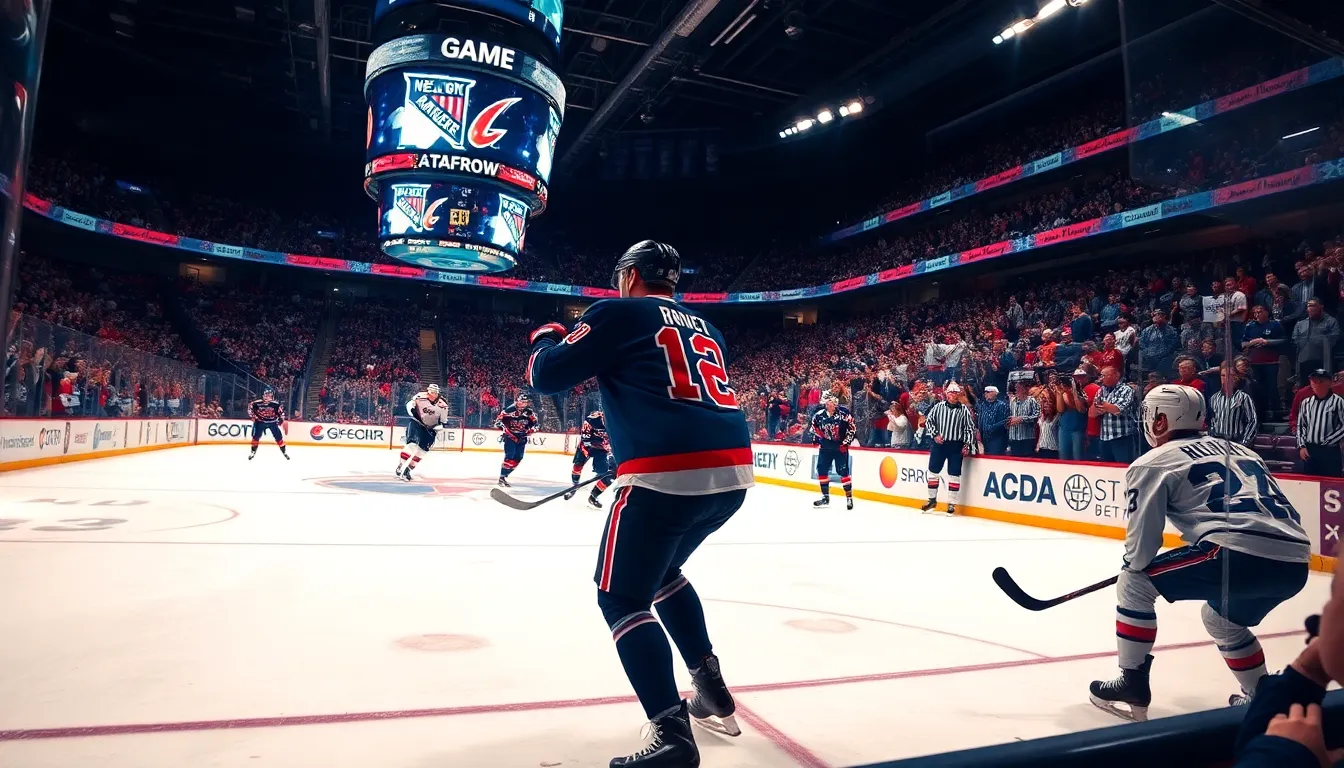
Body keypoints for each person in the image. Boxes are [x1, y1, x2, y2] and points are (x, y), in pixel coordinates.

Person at [525, 240, 753, 766]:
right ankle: (711, 688)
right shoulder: (709, 328)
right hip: (733, 474)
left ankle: (671, 735)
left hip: (664, 476)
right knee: (665, 570)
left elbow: (546, 377)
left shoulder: (617, 312)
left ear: (629, 277)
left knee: (622, 598)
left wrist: (544, 338)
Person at [1088, 385, 1310, 722]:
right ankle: (1261, 697)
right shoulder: (1241, 450)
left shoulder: (1152, 462)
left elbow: (1143, 546)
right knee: (1221, 620)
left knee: (1134, 582)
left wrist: (1133, 566)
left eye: (1150, 414)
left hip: (1236, 554)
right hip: (1295, 563)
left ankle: (1131, 682)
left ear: (1161, 420)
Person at [920, 382, 976, 517]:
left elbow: (969, 428)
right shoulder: (938, 407)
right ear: (947, 394)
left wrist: (967, 444)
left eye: (956, 393)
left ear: (959, 394)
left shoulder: (964, 410)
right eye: (951, 392)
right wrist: (935, 435)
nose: (953, 395)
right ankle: (932, 500)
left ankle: (951, 503)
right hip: (940, 445)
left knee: (954, 475)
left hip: (956, 446)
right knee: (933, 472)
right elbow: (929, 421)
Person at [1296, 369, 1344, 478]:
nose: (1317, 384)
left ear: (1330, 383)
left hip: (1330, 450)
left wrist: (1329, 440)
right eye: (1314, 381)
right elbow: (1301, 425)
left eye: (1321, 381)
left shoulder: (1338, 402)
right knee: (1310, 483)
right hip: (1310, 450)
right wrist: (1301, 446)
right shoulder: (1306, 403)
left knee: (1331, 483)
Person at [810, 395, 856, 509]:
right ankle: (825, 497)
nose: (828, 404)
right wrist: (817, 439)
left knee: (843, 471)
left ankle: (849, 498)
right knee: (821, 469)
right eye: (827, 402)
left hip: (840, 446)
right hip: (826, 446)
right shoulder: (819, 415)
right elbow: (814, 428)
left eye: (830, 402)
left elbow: (852, 428)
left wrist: (846, 442)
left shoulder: (844, 413)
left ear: (835, 404)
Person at [396, 383, 448, 480]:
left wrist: (440, 426)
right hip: (417, 423)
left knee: (422, 452)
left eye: (434, 392)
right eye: (431, 392)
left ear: (437, 393)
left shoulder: (443, 405)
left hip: (430, 428)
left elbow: (444, 421)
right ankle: (400, 465)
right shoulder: (420, 396)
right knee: (412, 445)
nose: (432, 394)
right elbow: (409, 405)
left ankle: (408, 470)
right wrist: (412, 411)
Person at [565, 409, 615, 508]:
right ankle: (574, 485)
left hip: (603, 450)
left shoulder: (618, 423)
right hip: (587, 446)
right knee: (578, 465)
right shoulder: (592, 420)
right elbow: (586, 439)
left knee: (609, 474)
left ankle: (593, 496)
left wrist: (611, 455)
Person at [1091, 366, 1138, 464]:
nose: (1101, 378)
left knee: (1123, 467)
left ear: (1116, 376)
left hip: (1121, 437)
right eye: (1101, 375)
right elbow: (1092, 413)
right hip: (1104, 437)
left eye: (1104, 375)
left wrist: (1102, 405)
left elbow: (1116, 410)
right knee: (1107, 469)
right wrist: (1105, 407)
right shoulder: (1100, 390)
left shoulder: (1126, 390)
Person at [1291, 299, 1340, 385]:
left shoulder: (1331, 321)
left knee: (1322, 386)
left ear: (1321, 306)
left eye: (1312, 305)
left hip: (1323, 360)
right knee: (1305, 388)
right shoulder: (1300, 324)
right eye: (1308, 306)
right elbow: (1295, 339)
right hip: (1304, 361)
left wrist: (1315, 341)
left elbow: (1334, 338)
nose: (1309, 308)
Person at [494, 393, 539, 487]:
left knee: (518, 458)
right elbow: (497, 422)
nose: (523, 404)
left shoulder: (529, 412)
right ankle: (502, 477)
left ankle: (505, 475)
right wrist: (505, 430)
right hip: (510, 436)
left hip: (522, 437)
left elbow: (536, 424)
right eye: (522, 402)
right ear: (517, 401)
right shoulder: (508, 410)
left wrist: (532, 429)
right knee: (510, 455)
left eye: (525, 402)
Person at [1208, 366, 1258, 447]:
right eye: (1223, 375)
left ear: (1236, 378)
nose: (1226, 378)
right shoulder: (1214, 398)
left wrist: (1244, 442)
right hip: (1218, 443)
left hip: (1237, 442)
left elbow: (1252, 421)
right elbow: (1212, 420)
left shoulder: (1244, 397)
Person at [247, 389, 289, 461]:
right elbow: (250, 409)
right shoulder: (256, 403)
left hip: (272, 422)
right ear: (263, 395)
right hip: (260, 422)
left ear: (272, 397)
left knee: (279, 437)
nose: (267, 397)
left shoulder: (275, 404)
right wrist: (253, 417)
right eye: (266, 395)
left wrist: (280, 420)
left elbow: (282, 413)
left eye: (269, 396)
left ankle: (284, 452)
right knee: (256, 437)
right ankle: (253, 452)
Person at [1007, 378, 1040, 457]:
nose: (1016, 389)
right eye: (1016, 387)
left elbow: (1037, 416)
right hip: (1014, 439)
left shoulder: (1032, 401)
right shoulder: (1012, 401)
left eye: (1018, 387)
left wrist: (1022, 419)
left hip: (1027, 439)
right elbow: (1009, 416)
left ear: (1025, 389)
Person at [977, 385, 1010, 455]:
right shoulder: (983, 405)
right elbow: (980, 419)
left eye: (988, 392)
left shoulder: (1001, 405)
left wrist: (991, 428)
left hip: (996, 438)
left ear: (995, 393)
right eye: (985, 392)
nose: (986, 394)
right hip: (984, 438)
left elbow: (1005, 421)